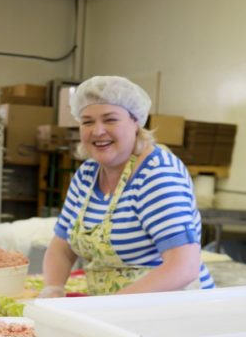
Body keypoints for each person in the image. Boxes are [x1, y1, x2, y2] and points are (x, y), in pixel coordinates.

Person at [41, 75, 214, 296]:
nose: (97, 131)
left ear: (136, 122)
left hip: (168, 311)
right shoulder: (86, 175)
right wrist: (53, 288)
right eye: (87, 121)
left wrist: (113, 306)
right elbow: (61, 248)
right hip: (111, 312)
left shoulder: (156, 175)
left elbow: (183, 267)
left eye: (110, 119)